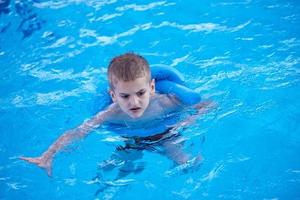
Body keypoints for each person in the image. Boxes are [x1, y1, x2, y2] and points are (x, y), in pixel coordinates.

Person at [20, 52, 213, 177]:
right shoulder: (112, 114)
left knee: (186, 162)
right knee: (111, 170)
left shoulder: (167, 102)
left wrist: (187, 122)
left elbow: (207, 105)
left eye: (140, 93)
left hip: (166, 133)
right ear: (113, 96)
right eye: (125, 96)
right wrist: (48, 155)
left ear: (152, 87)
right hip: (133, 139)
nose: (134, 102)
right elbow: (78, 132)